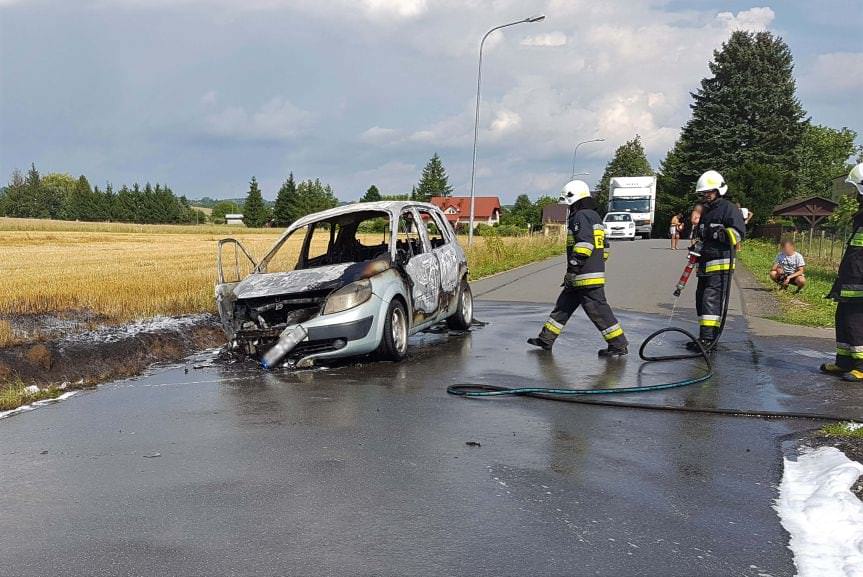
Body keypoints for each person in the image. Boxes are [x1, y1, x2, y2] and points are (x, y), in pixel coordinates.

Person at [528, 180, 628, 356]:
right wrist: (596, 265)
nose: (568, 208)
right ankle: (546, 339)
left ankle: (618, 344)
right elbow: (604, 248)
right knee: (563, 306)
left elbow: (584, 244)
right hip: (587, 273)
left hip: (584, 275)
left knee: (597, 310)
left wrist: (574, 268)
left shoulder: (580, 216)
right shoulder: (595, 216)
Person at [686, 170, 745, 351]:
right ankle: (705, 337)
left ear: (719, 190)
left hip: (721, 263)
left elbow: (738, 234)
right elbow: (703, 235)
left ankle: (707, 340)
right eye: (703, 193)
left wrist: (718, 233)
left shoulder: (728, 209)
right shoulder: (707, 211)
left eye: (709, 192)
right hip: (705, 263)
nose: (706, 196)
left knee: (710, 300)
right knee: (701, 300)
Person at [820, 162, 863, 383]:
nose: (855, 194)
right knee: (844, 318)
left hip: (860, 283)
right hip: (851, 279)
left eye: (857, 190)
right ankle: (844, 362)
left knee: (856, 322)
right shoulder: (861, 216)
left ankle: (861, 366)